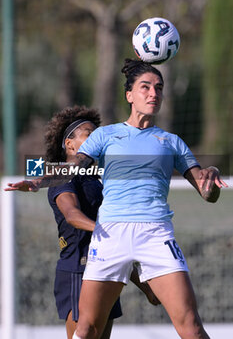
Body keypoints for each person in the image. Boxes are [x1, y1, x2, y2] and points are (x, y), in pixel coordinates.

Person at [5, 59, 228, 339]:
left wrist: (213, 174)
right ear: (129, 96)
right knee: (86, 330)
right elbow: (73, 168)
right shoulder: (105, 135)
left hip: (156, 233)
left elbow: (208, 194)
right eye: (145, 87)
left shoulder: (172, 142)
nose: (153, 93)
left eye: (158, 88)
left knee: (192, 327)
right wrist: (37, 180)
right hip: (109, 234)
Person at [44, 105, 160, 339]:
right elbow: (72, 216)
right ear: (70, 144)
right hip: (79, 269)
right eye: (89, 134)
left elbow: (118, 243)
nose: (96, 140)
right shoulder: (61, 176)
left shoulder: (98, 181)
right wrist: (104, 229)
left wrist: (144, 284)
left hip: (106, 270)